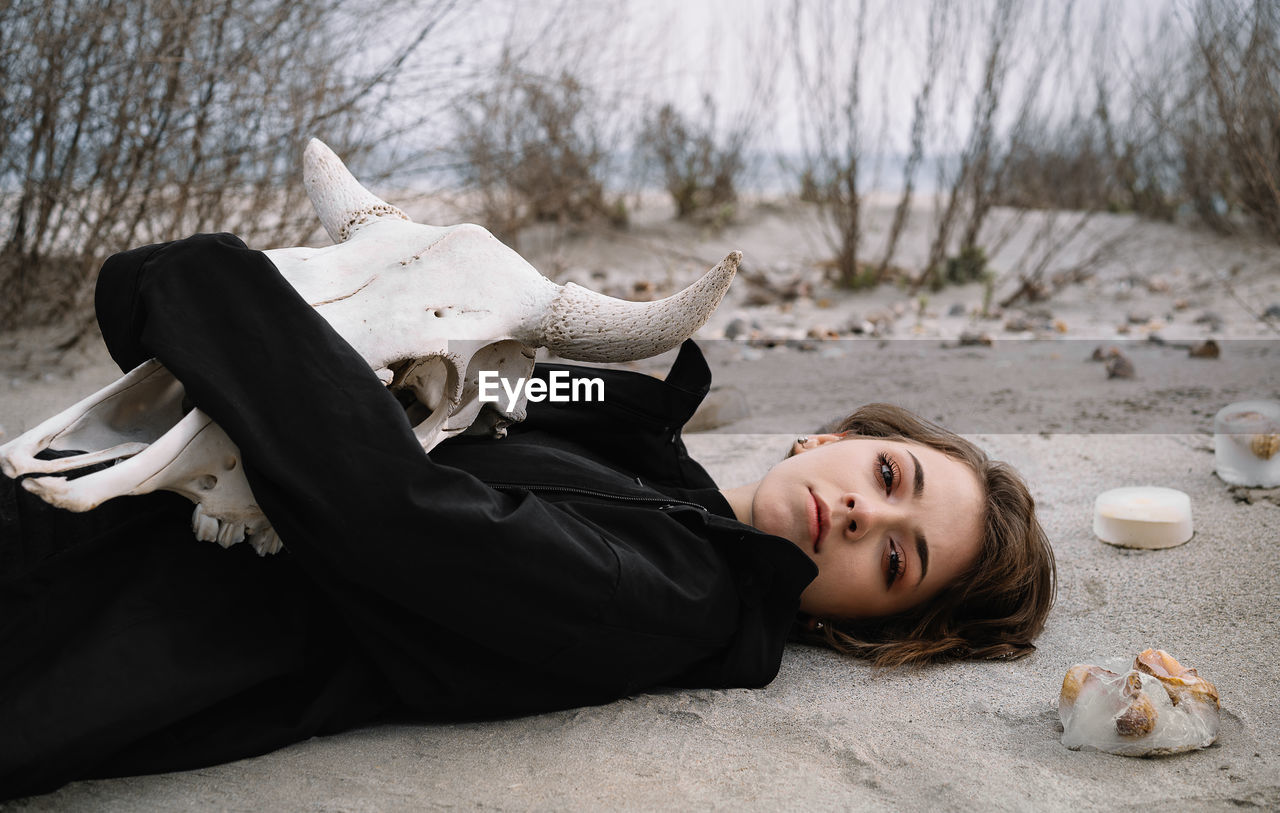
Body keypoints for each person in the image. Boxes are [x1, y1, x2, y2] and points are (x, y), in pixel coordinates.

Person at [0, 233, 1055, 799]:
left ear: (856, 623)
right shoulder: (642, 447)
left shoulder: (680, 600)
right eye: (886, 475)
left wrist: (204, 281)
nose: (860, 514)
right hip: (96, 505)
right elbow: (436, 382)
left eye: (896, 560)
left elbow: (396, 514)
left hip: (87, 617)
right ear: (827, 439)